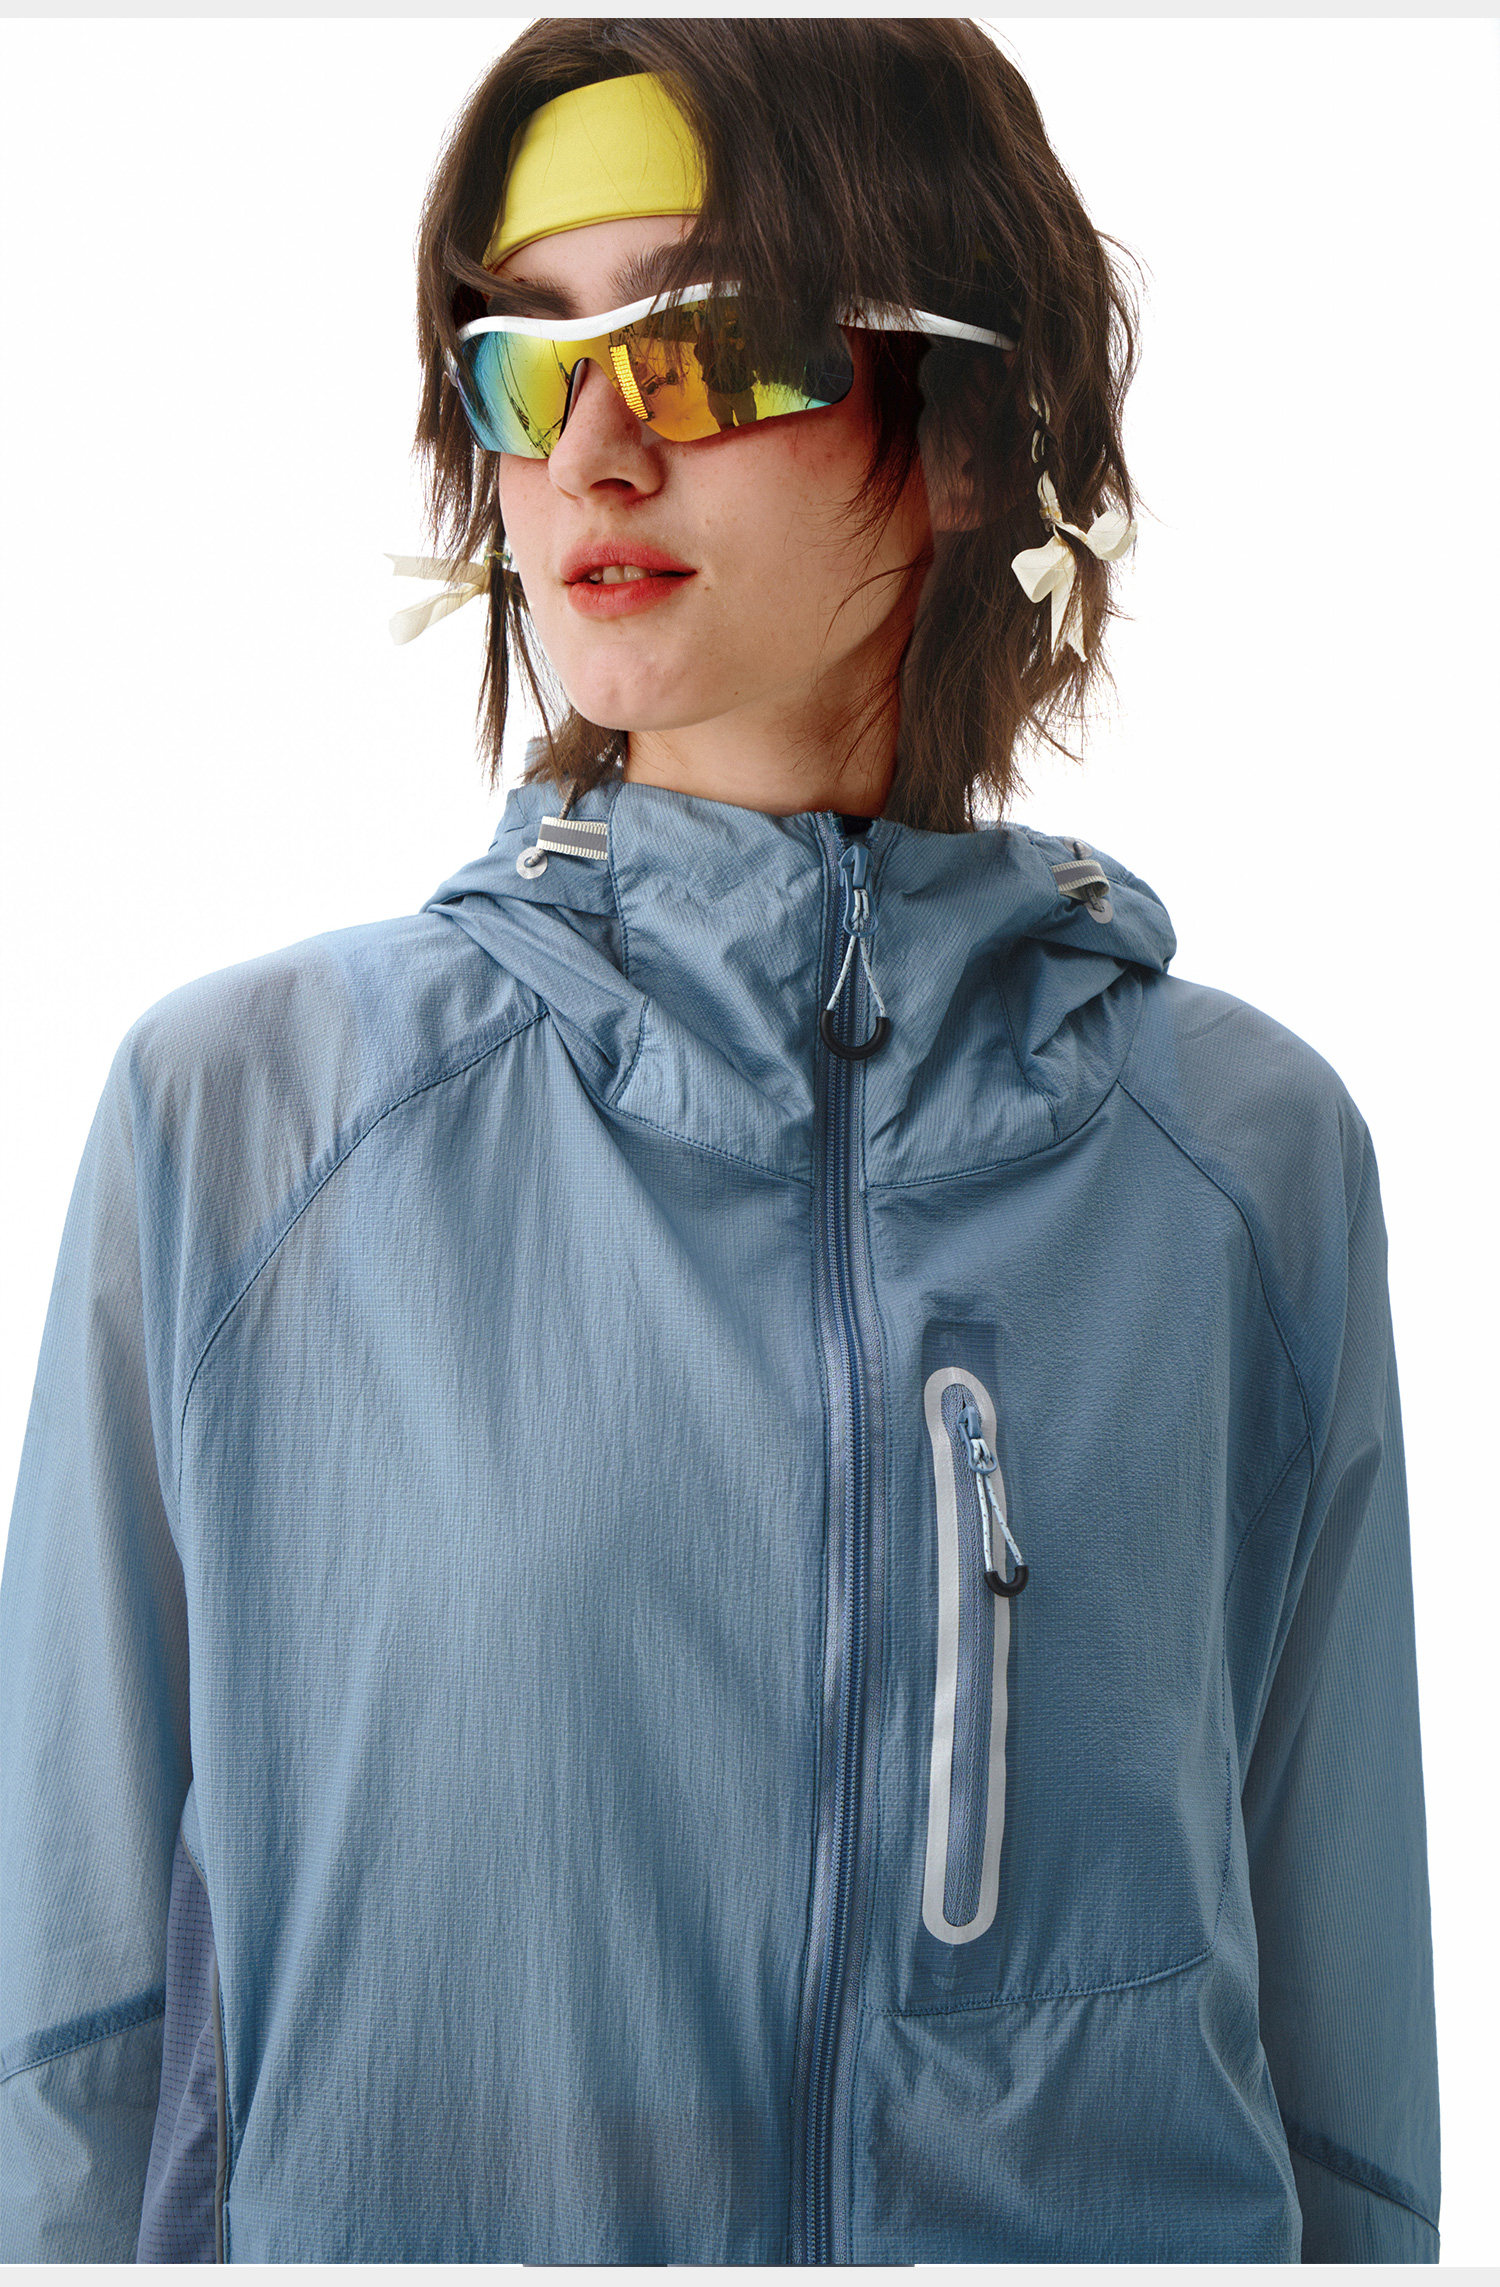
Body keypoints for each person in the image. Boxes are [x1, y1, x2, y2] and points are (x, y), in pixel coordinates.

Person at [0, 19, 1440, 2266]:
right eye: (524, 361)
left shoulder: (1243, 1162)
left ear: (966, 434)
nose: (592, 446)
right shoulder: (253, 1127)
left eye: (705, 345)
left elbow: (1345, 2091)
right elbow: (69, 2054)